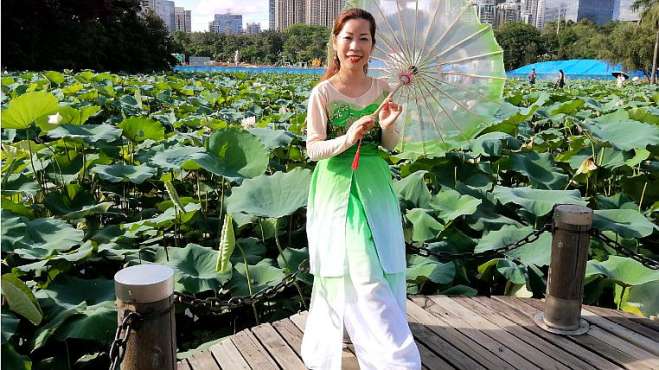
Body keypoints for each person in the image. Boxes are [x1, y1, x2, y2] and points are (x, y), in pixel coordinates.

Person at [301, 7, 422, 370]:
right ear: (335, 43)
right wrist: (347, 137)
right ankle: (394, 357)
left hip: (374, 185)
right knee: (355, 266)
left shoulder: (384, 89)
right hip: (336, 188)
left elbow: (390, 146)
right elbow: (313, 149)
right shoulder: (322, 93)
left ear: (372, 45)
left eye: (364, 38)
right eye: (348, 37)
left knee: (381, 263)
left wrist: (391, 124)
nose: (355, 46)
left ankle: (361, 334)